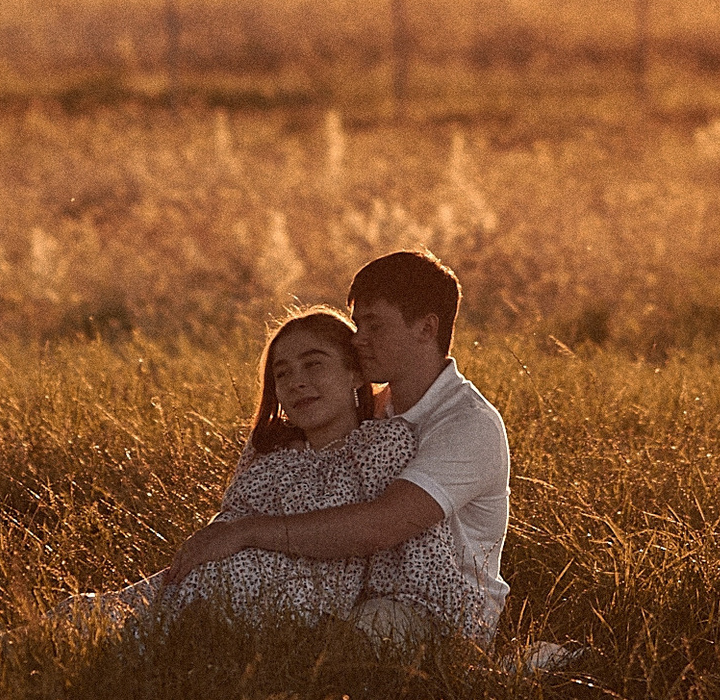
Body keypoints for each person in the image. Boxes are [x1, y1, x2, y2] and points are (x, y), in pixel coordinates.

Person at [158, 250, 510, 648]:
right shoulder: (373, 409)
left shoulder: (468, 424)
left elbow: (381, 526)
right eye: (357, 325)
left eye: (374, 325)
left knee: (333, 652)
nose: (358, 339)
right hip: (349, 581)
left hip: (438, 610)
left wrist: (245, 532)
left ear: (426, 328)